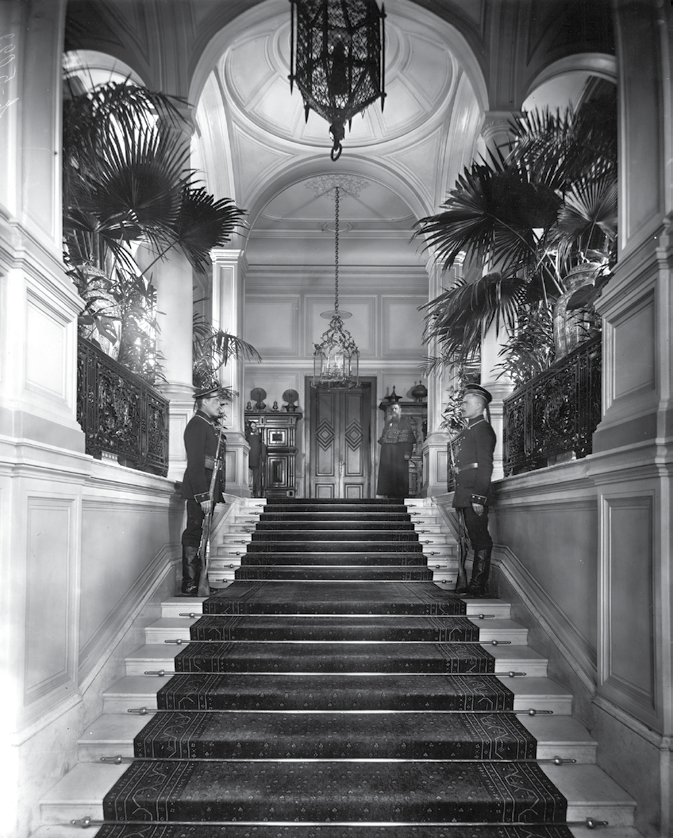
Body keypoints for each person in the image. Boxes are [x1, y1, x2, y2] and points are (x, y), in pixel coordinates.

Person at [449, 384, 496, 597]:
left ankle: (478, 586)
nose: (462, 406)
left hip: (473, 494)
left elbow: (485, 466)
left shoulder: (483, 429)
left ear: (478, 406)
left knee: (480, 538)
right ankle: (472, 584)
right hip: (464, 492)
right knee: (469, 538)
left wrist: (479, 497)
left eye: (466, 403)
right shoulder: (470, 429)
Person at [179, 385, 226, 596]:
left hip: (209, 487)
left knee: (203, 534)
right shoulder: (197, 425)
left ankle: (199, 582)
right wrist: (203, 495)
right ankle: (189, 583)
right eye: (215, 401)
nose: (219, 404)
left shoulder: (207, 425)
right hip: (200, 491)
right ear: (204, 402)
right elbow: (196, 463)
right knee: (194, 532)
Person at [377, 402, 416, 498]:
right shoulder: (388, 423)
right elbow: (384, 439)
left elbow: (409, 438)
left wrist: (407, 452)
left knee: (400, 475)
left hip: (400, 454)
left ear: (400, 410)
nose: (393, 411)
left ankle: (400, 495)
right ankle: (389, 494)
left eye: (396, 408)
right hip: (388, 454)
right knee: (389, 474)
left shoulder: (405, 421)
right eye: (392, 409)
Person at [246, 420, 267, 498]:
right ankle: (251, 493)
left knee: (255, 478)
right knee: (250, 477)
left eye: (255, 426)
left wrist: (263, 458)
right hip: (249, 459)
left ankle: (254, 493)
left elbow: (262, 446)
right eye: (252, 426)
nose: (254, 428)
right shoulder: (248, 436)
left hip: (256, 460)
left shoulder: (259, 437)